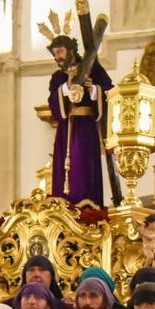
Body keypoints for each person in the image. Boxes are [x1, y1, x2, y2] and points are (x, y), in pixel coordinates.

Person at [46, 12, 115, 207]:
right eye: (54, 54)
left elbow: (110, 92)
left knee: (83, 167)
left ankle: (87, 206)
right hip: (65, 130)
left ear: (70, 50)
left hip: (85, 128)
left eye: (60, 51)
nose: (57, 57)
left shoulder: (92, 67)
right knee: (64, 171)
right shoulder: (57, 78)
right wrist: (66, 88)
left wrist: (93, 90)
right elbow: (53, 103)